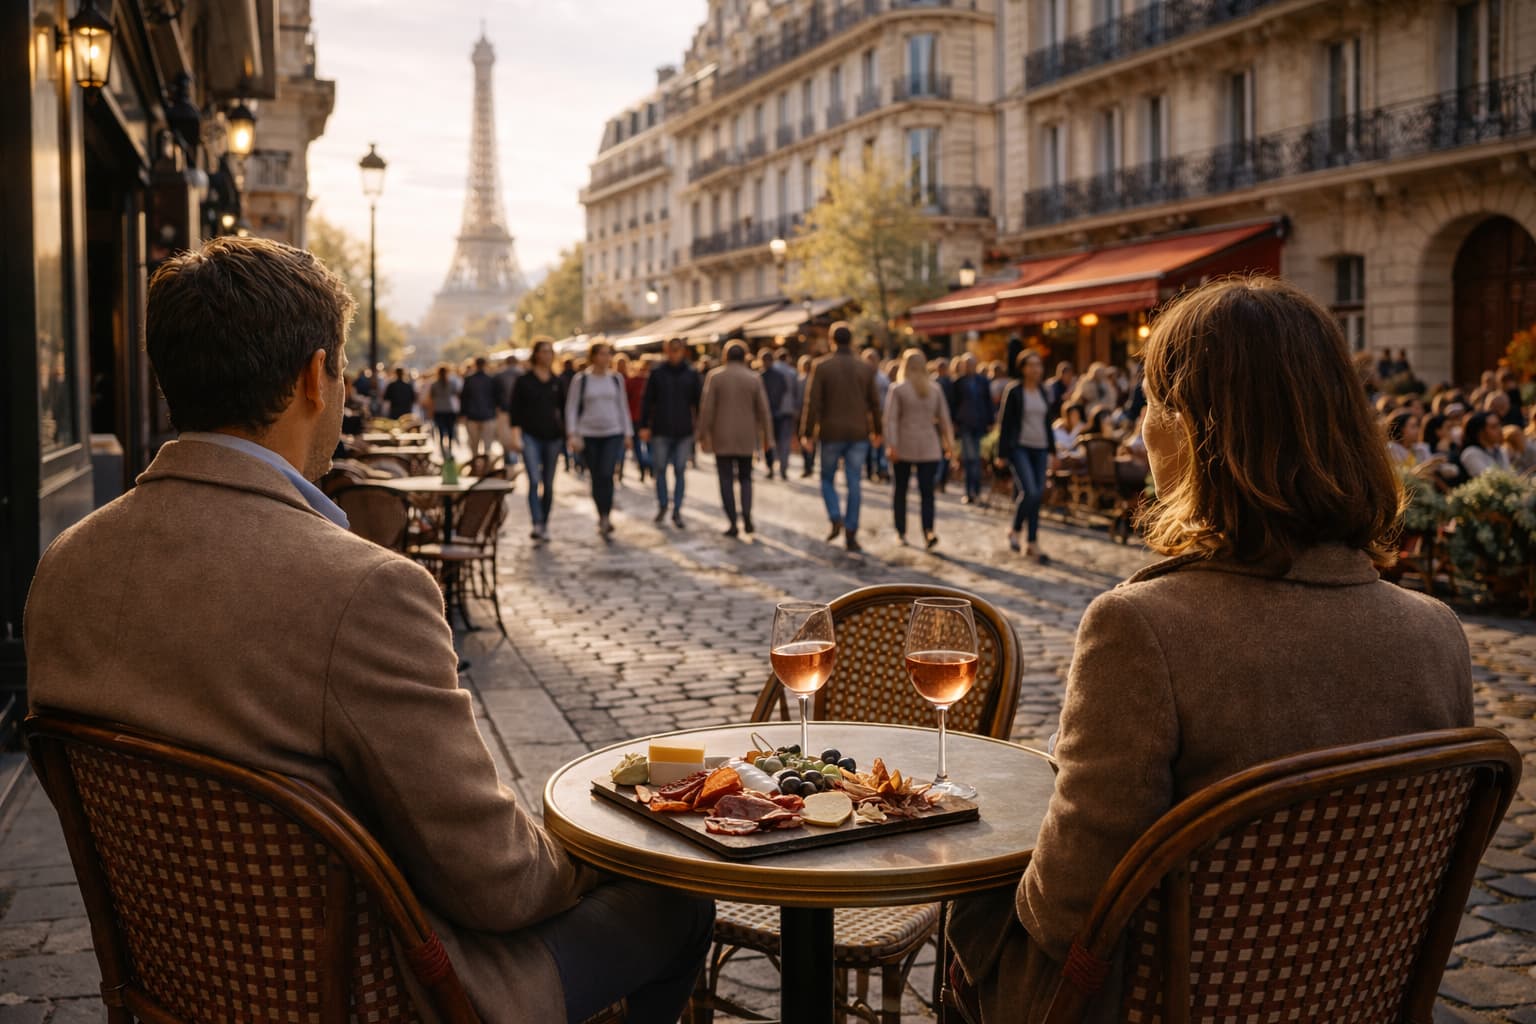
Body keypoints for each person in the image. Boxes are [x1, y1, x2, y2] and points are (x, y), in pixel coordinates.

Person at [23, 237, 713, 1024]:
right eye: (343, 370)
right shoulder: (363, 589)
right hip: (379, 997)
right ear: (313, 377)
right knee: (676, 906)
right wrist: (602, 851)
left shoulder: (64, 567)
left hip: (183, 986)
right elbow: (497, 883)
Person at [947, 276, 1473, 1024]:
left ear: (1193, 428)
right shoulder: (1437, 633)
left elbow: (1068, 909)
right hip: (1354, 1001)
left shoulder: (1141, 629)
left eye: (1150, 404)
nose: (1139, 432)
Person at [801, 323, 883, 552]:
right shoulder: (864, 368)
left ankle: (836, 515)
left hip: (831, 432)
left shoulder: (822, 366)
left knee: (827, 478)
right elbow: (875, 404)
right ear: (852, 341)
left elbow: (812, 403)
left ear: (832, 340)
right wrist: (878, 431)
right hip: (858, 433)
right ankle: (851, 529)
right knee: (854, 482)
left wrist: (806, 433)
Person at [698, 341, 774, 537]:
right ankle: (746, 514)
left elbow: (707, 409)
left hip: (722, 436)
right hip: (746, 437)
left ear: (726, 356)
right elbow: (764, 411)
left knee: (725, 480)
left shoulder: (715, 377)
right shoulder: (754, 378)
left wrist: (702, 434)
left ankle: (732, 521)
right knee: (746, 478)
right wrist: (768, 438)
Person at [884, 349, 954, 548]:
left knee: (901, 490)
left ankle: (901, 531)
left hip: (903, 445)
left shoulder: (898, 389)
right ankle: (928, 530)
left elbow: (891, 420)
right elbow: (945, 420)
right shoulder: (934, 389)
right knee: (927, 492)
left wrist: (892, 444)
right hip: (929, 446)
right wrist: (949, 445)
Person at [565, 341, 632, 536]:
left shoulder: (616, 379)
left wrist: (628, 433)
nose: (606, 357)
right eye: (602, 353)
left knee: (607, 473)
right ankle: (601, 513)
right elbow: (571, 407)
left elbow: (622, 406)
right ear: (593, 356)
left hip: (613, 432)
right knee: (596, 476)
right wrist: (572, 433)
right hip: (589, 434)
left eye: (608, 354)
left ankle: (607, 515)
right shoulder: (581, 379)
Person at [997, 351, 1058, 562]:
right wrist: (1001, 453)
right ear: (1022, 368)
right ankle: (1015, 529)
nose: (1035, 369)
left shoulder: (1043, 391)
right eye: (1031, 365)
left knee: (1037, 494)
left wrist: (1052, 451)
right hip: (1020, 447)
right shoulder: (1014, 391)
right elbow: (1005, 423)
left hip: (1040, 448)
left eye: (1038, 365)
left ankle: (1031, 542)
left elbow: (1047, 423)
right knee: (1030, 491)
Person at [639, 338, 703, 528]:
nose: (674, 353)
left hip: (684, 431)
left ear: (682, 351)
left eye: (677, 349)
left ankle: (677, 509)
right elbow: (647, 401)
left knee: (680, 469)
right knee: (660, 469)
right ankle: (663, 504)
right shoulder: (657, 373)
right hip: (661, 429)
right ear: (666, 350)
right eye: (671, 349)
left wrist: (700, 428)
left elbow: (699, 403)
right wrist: (644, 426)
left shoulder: (691, 373)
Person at [510, 338, 566, 542]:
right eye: (544, 351)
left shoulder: (557, 381)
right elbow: (515, 411)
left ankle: (545, 522)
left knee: (548, 484)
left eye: (550, 351)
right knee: (534, 480)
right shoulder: (524, 381)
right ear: (536, 354)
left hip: (553, 437)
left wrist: (568, 435)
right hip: (530, 436)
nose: (547, 355)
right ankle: (537, 522)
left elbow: (564, 410)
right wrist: (516, 436)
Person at [950, 354, 996, 506]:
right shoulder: (958, 382)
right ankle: (970, 491)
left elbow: (988, 402)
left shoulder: (983, 381)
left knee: (976, 459)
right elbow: (953, 404)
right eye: (967, 364)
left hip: (979, 424)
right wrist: (954, 422)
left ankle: (975, 491)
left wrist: (990, 421)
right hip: (965, 424)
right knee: (970, 459)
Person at [762, 348, 798, 480]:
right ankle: (783, 467)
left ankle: (771, 466)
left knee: (770, 440)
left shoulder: (767, 373)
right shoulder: (792, 372)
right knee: (784, 441)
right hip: (787, 410)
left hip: (771, 410)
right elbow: (793, 392)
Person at [616, 353, 651, 483]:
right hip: (636, 418)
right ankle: (643, 468)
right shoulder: (633, 380)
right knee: (637, 447)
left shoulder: (631, 381)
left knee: (627, 447)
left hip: (631, 418)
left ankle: (623, 469)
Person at [863, 348, 892, 483]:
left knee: (880, 443)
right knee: (867, 445)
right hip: (865, 415)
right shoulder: (861, 376)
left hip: (881, 414)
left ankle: (881, 470)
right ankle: (869, 470)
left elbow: (888, 397)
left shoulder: (883, 378)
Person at [460, 356, 498, 461]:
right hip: (488, 415)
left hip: (472, 416)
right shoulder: (491, 379)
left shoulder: (469, 379)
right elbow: (496, 397)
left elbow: (464, 398)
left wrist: (463, 414)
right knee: (487, 445)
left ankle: (475, 464)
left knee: (474, 445)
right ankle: (486, 465)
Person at [1459, 411, 1510, 478]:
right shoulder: (1471, 453)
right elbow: (1490, 479)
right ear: (1480, 432)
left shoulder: (1500, 450)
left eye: (1499, 425)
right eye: (1493, 427)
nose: (1500, 430)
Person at [427, 364, 461, 458]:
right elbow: (457, 396)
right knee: (450, 431)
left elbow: (431, 399)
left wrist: (430, 411)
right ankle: (449, 448)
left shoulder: (434, 384)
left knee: (441, 431)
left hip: (439, 410)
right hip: (449, 410)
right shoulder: (451, 384)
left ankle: (443, 449)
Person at [494, 354, 522, 464]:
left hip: (504, 409)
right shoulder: (522, 373)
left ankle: (509, 455)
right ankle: (516, 455)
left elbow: (495, 394)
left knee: (505, 435)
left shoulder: (499, 375)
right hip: (520, 410)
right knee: (518, 433)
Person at [795, 354, 816, 477]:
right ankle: (810, 463)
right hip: (811, 414)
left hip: (802, 414)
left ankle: (808, 465)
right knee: (812, 439)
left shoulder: (800, 380)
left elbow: (797, 399)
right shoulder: (812, 379)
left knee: (803, 438)